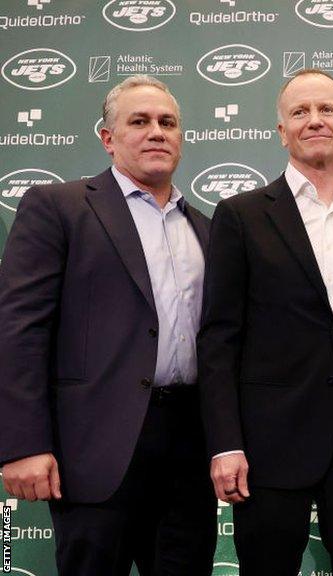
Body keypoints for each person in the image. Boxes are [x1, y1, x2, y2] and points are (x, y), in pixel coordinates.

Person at [198, 69, 333, 576]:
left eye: (327, 110)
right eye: (300, 112)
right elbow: (218, 340)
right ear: (281, 131)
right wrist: (226, 443)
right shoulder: (241, 216)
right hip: (268, 445)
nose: (314, 121)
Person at [0, 75, 215, 575]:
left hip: (189, 448)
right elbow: (19, 331)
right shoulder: (59, 207)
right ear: (108, 137)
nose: (156, 132)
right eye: (139, 121)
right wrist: (24, 444)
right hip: (94, 450)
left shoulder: (204, 227)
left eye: (167, 122)